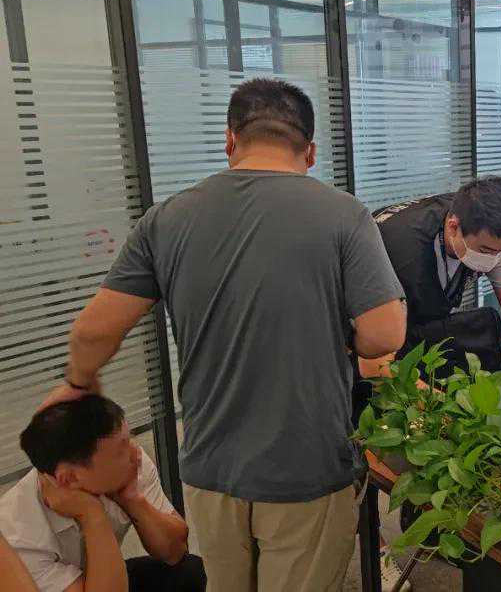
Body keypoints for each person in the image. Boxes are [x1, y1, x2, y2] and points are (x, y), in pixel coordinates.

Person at [50, 78, 407, 592]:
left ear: (230, 140)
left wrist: (78, 384)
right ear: (309, 151)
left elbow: (92, 331)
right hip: (306, 467)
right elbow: (384, 333)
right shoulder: (344, 214)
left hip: (210, 468)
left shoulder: (167, 218)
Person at [0, 395, 205, 592]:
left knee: (190, 573)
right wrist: (92, 515)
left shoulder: (128, 465)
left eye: (128, 439)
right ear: (69, 478)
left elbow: (176, 551)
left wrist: (132, 499)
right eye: (120, 451)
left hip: (106, 573)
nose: (134, 453)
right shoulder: (16, 535)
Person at [364, 176, 501, 377]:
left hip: (423, 317)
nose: (493, 259)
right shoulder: (400, 255)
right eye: (485, 251)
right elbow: (374, 364)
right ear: (453, 227)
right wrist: (428, 394)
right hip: (368, 327)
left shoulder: (492, 235)